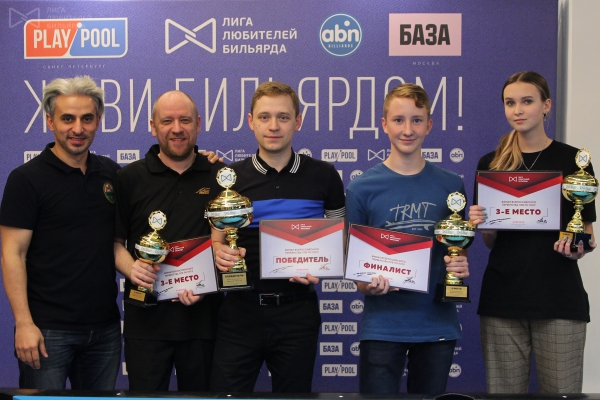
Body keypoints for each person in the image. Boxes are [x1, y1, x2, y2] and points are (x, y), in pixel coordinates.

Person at [209, 81, 346, 393]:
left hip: (297, 312)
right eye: (264, 117)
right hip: (240, 310)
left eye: (283, 117)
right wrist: (220, 253)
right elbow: (217, 240)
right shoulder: (230, 179)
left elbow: (339, 241)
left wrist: (321, 265)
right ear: (251, 121)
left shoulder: (325, 176)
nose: (274, 126)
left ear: (298, 121)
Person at [469, 71, 596, 394]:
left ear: (546, 105)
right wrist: (483, 223)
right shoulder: (491, 163)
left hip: (558, 298)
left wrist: (577, 246)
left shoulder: (573, 161)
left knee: (562, 393)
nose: (518, 110)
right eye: (510, 103)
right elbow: (491, 240)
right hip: (502, 298)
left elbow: (586, 232)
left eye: (527, 101)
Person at [345, 83, 470, 395]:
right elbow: (356, 271)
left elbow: (457, 248)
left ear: (429, 125)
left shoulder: (451, 186)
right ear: (384, 124)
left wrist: (459, 265)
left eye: (417, 120)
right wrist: (367, 285)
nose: (408, 130)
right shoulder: (361, 188)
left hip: (436, 325)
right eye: (398, 120)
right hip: (383, 327)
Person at [0, 76, 121, 389]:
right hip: (46, 332)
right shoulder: (26, 179)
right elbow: (12, 254)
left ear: (98, 121)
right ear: (50, 121)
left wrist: (199, 160)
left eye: (87, 119)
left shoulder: (110, 173)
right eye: (68, 119)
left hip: (105, 330)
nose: (77, 128)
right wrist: (23, 324)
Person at [113, 90, 226, 391]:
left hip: (203, 321)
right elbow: (114, 242)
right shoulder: (129, 178)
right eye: (167, 121)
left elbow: (224, 241)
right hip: (145, 322)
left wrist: (207, 282)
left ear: (198, 124)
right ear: (153, 126)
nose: (177, 128)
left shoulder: (219, 175)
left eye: (185, 120)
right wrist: (131, 268)